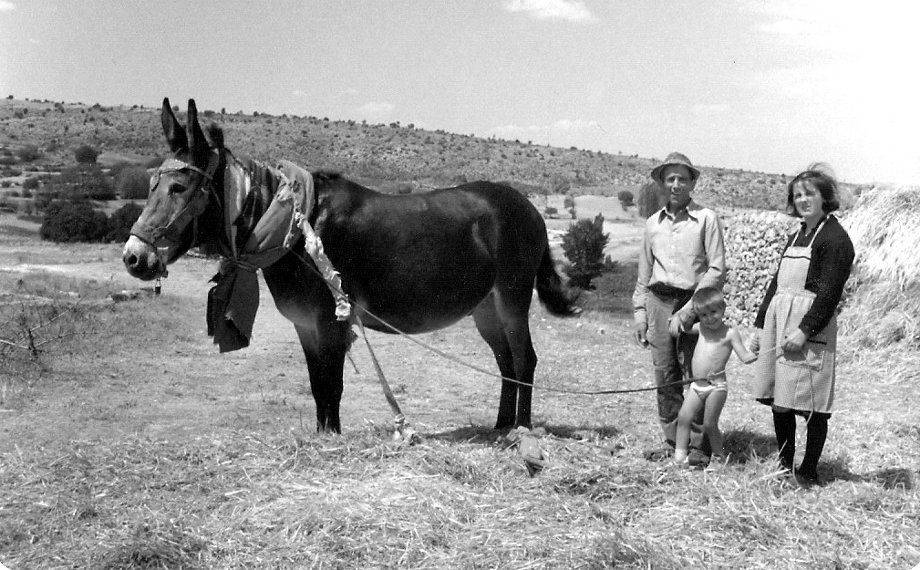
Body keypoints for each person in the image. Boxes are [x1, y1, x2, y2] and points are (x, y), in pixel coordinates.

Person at [750, 164, 855, 485]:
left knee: (813, 405)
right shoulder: (798, 233)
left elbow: (828, 296)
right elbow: (775, 285)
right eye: (797, 195)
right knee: (780, 402)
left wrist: (804, 330)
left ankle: (808, 470)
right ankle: (784, 465)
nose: (803, 199)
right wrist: (759, 325)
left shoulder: (836, 240)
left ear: (826, 197)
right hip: (781, 322)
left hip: (810, 328)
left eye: (810, 193)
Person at [633, 152, 727, 466]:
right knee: (665, 375)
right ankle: (673, 440)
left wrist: (687, 312)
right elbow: (644, 274)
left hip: (694, 305)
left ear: (692, 182)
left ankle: (699, 445)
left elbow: (716, 269)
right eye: (670, 178)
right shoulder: (652, 224)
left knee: (698, 376)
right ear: (661, 183)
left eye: (682, 179)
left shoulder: (706, 219)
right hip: (659, 302)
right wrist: (640, 312)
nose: (676, 185)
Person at [673, 288, 756, 468]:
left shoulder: (730, 334)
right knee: (684, 417)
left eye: (713, 312)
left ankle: (719, 459)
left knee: (709, 424)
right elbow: (686, 329)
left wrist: (755, 354)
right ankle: (680, 456)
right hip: (697, 385)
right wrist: (682, 320)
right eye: (703, 315)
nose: (709, 318)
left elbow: (744, 356)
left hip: (716, 387)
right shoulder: (700, 328)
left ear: (723, 309)